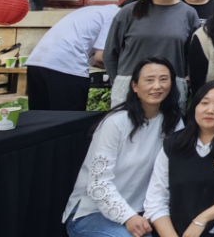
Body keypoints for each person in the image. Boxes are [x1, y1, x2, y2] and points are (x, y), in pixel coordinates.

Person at [63, 58, 184, 237]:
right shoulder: (116, 123)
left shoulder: (173, 123)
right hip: (92, 213)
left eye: (164, 79)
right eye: (149, 79)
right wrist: (128, 217)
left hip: (143, 214)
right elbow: (98, 184)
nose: (157, 86)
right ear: (135, 86)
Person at [145, 81, 214, 237]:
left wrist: (202, 219)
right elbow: (156, 200)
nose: (210, 110)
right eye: (204, 103)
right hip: (179, 232)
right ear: (195, 107)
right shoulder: (174, 144)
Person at [105, 0, 201, 107]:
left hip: (171, 89)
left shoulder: (188, 14)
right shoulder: (129, 12)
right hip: (129, 87)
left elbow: (192, 56)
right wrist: (118, 82)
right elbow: (110, 53)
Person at [25, 3, 117, 111]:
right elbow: (100, 57)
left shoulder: (96, 11)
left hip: (37, 62)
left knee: (40, 116)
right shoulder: (116, 16)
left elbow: (93, 59)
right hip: (66, 67)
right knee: (69, 118)